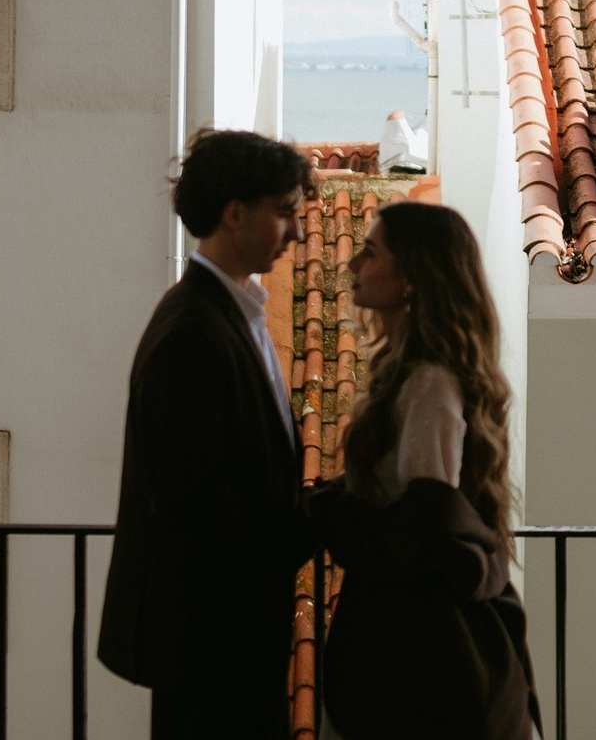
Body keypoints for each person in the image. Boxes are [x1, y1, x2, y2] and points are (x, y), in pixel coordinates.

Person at [100, 129, 316, 740]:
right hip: (209, 642)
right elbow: (190, 501)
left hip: (227, 636)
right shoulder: (192, 332)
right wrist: (311, 524)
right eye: (284, 214)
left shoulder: (227, 313)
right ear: (235, 213)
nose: (296, 233)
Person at [312, 201, 540, 740]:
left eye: (370, 253)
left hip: (413, 655)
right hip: (402, 642)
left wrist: (330, 515)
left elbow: (424, 525)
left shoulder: (429, 384)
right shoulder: (412, 372)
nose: (353, 265)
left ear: (413, 275)